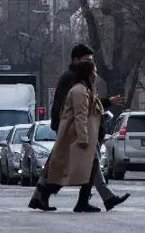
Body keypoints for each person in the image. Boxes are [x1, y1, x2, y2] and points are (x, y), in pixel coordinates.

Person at [28, 44, 129, 211]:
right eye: (87, 61)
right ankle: (89, 200)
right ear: (76, 60)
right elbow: (70, 107)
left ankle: (42, 198)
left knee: (72, 166)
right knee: (63, 166)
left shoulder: (83, 81)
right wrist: (66, 130)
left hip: (80, 131)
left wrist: (108, 102)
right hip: (74, 132)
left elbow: (89, 105)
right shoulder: (73, 80)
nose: (91, 65)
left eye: (91, 61)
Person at [39, 60, 104, 212]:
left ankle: (77, 201)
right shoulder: (79, 91)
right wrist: (83, 138)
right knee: (70, 169)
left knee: (84, 169)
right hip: (75, 137)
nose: (95, 75)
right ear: (87, 73)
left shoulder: (85, 89)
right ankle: (45, 194)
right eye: (93, 71)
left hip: (78, 136)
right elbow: (80, 115)